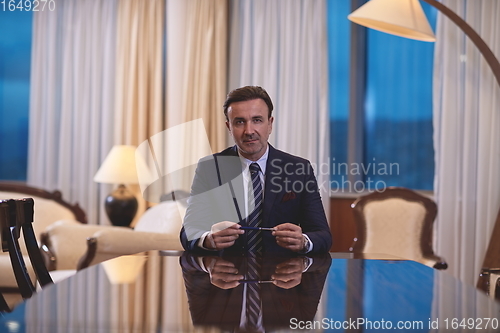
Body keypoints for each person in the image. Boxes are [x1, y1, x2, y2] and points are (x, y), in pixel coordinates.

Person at [180, 86, 331, 255]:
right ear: (229, 127)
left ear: (270, 123)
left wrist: (303, 241)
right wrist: (208, 239)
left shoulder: (299, 169)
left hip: (281, 275)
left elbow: (323, 235)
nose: (249, 131)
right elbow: (188, 232)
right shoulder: (210, 168)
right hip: (226, 276)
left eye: (257, 120)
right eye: (239, 122)